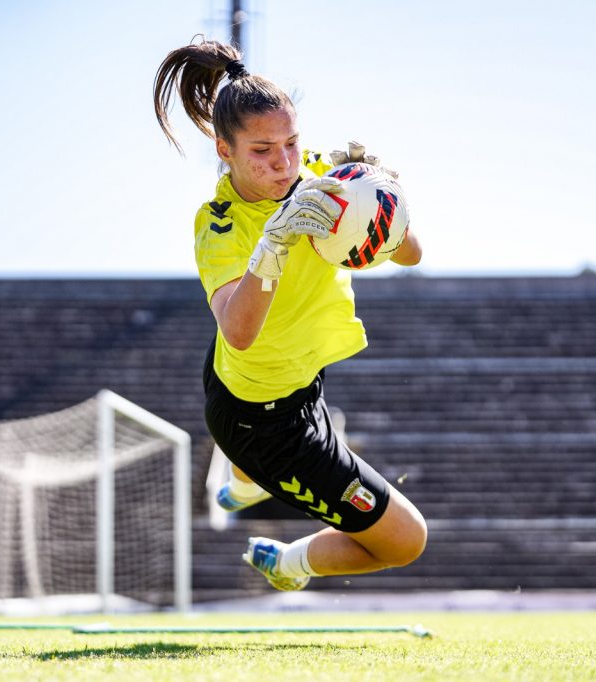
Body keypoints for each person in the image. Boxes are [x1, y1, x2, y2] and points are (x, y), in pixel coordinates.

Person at [153, 37, 426, 591]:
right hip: (262, 419)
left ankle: (246, 478)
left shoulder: (324, 182)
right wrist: (274, 242)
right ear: (224, 150)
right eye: (261, 150)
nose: (283, 164)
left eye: (292, 143)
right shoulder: (220, 224)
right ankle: (288, 561)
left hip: (298, 382)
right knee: (406, 540)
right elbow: (240, 330)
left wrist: (382, 199)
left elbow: (412, 253)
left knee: (273, 429)